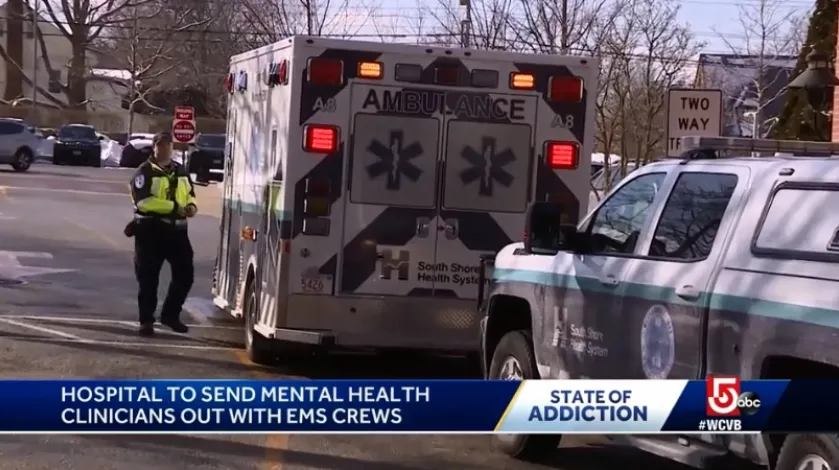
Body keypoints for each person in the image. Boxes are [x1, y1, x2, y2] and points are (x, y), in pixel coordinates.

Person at [128, 131, 197, 336]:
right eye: (160, 145)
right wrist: (174, 207)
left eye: (167, 145)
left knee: (185, 275)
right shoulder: (144, 172)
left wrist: (191, 206)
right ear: (154, 147)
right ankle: (146, 321)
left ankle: (170, 315)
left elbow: (190, 194)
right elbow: (143, 202)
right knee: (148, 279)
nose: (164, 148)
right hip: (151, 231)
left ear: (172, 147)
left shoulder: (180, 170)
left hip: (177, 231)